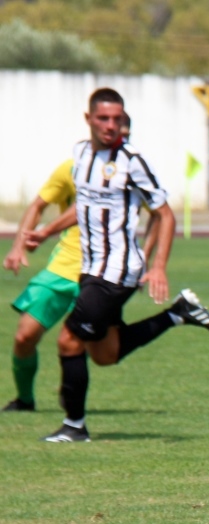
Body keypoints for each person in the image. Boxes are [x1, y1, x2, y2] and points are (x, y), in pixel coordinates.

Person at [28, 88, 209, 442]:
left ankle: (74, 427)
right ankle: (178, 313)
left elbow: (165, 215)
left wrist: (158, 266)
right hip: (91, 269)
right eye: (103, 118)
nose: (111, 125)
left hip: (117, 273)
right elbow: (82, 206)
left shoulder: (132, 161)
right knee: (104, 353)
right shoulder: (81, 155)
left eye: (117, 119)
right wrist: (44, 233)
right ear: (89, 119)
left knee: (69, 340)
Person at [1, 115, 146, 412]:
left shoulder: (130, 171)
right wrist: (19, 246)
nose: (118, 133)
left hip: (104, 273)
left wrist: (149, 262)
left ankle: (73, 418)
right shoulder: (73, 168)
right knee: (24, 336)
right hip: (62, 269)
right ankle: (25, 400)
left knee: (101, 354)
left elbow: (159, 214)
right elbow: (39, 205)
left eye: (124, 131)